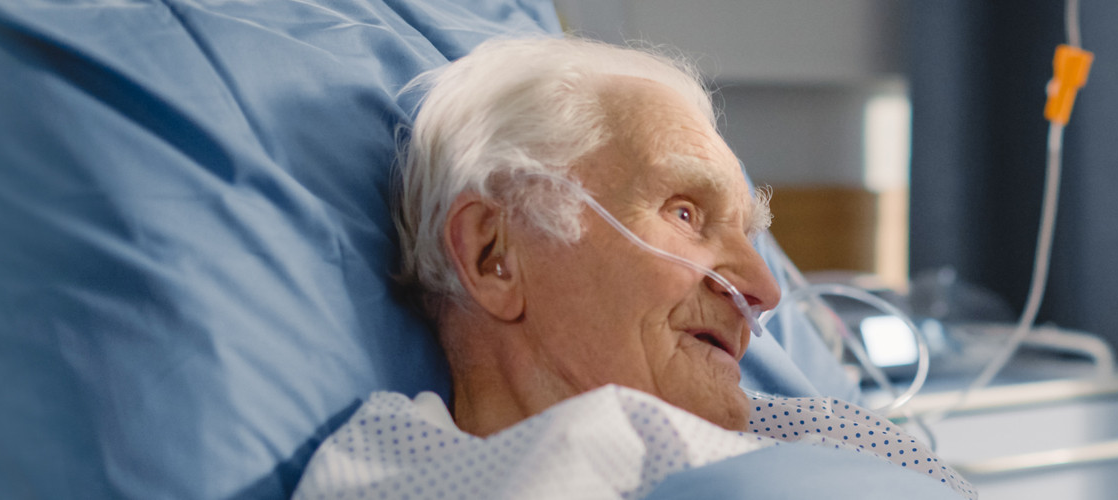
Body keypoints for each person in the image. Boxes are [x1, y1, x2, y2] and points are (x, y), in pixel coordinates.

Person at [288, 37, 974, 499]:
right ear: (494, 255)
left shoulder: (820, 433)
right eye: (684, 214)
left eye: (750, 237)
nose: (763, 293)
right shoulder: (394, 471)